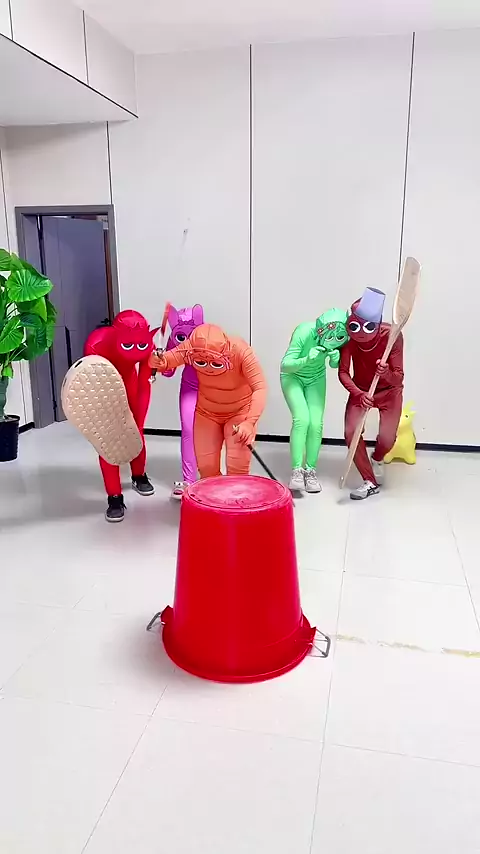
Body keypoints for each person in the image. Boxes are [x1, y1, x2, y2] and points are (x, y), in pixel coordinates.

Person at [149, 324, 267, 477]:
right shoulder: (190, 348)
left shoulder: (240, 351)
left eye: (216, 364)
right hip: (207, 414)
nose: (209, 368)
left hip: (240, 413)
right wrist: (157, 362)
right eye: (201, 363)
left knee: (238, 469)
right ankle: (214, 493)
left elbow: (260, 387)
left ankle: (235, 493)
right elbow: (167, 361)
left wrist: (250, 422)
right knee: (206, 468)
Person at [84, 310, 157, 521]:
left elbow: (145, 382)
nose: (136, 349)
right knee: (108, 440)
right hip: (105, 388)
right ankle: (114, 497)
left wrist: (138, 421)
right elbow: (91, 381)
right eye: (128, 344)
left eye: (140, 345)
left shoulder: (147, 343)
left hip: (132, 385)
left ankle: (139, 475)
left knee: (136, 432)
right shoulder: (96, 344)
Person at [339, 287, 403, 500]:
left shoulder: (392, 336)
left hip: (389, 392)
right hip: (361, 390)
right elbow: (343, 372)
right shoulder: (348, 339)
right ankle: (369, 481)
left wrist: (385, 373)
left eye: (367, 327)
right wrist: (358, 394)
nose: (359, 333)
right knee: (351, 432)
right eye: (354, 325)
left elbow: (398, 377)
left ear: (377, 325)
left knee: (388, 438)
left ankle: (377, 457)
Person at [281, 308, 348, 493]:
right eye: (330, 335)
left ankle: (310, 471)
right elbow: (285, 365)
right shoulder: (304, 331)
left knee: (316, 424)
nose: (335, 340)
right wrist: (305, 359)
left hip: (316, 378)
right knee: (302, 419)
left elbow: (335, 364)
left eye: (340, 337)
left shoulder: (341, 337)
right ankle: (296, 471)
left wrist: (335, 359)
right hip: (292, 377)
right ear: (321, 329)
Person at [162, 303, 204, 498]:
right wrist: (161, 360)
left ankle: (211, 475)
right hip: (190, 387)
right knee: (188, 430)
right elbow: (168, 370)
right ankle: (188, 480)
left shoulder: (209, 336)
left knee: (213, 432)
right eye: (182, 337)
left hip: (213, 389)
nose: (186, 342)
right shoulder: (175, 337)